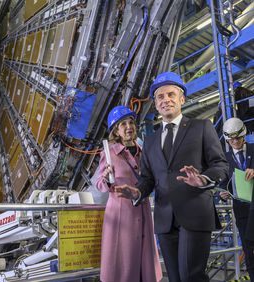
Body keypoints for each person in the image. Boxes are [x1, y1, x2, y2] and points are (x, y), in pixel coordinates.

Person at [115, 72, 229, 282]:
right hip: (165, 219)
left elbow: (220, 165)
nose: (166, 100)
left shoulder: (202, 127)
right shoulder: (149, 141)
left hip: (194, 214)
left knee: (190, 277)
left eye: (171, 94)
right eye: (160, 97)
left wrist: (202, 179)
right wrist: (138, 191)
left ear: (181, 99)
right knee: (176, 278)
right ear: (156, 104)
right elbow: (148, 178)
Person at [94, 105, 162, 282]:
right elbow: (99, 184)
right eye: (123, 124)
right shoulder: (109, 153)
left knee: (144, 266)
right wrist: (107, 179)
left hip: (143, 210)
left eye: (131, 122)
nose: (128, 126)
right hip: (120, 215)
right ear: (116, 130)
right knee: (123, 267)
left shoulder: (144, 152)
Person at [219, 117, 254, 278]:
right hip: (242, 212)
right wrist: (223, 194)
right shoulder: (224, 159)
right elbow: (224, 183)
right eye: (231, 139)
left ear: (244, 135)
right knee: (249, 249)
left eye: (238, 138)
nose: (235, 142)